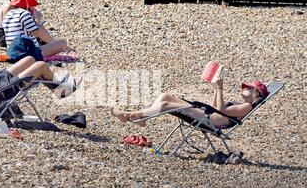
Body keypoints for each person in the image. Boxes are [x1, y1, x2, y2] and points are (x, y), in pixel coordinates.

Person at [110, 75, 269, 128]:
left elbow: (220, 110)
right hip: (209, 114)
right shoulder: (243, 105)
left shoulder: (246, 106)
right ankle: (142, 120)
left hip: (210, 120)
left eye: (248, 87)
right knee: (166, 96)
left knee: (166, 105)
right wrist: (215, 88)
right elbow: (216, 107)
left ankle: (128, 115)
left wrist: (220, 89)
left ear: (256, 93)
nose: (243, 88)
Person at [0, 0, 67, 55]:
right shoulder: (9, 7)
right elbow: (35, 32)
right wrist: (37, 21)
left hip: (14, 43)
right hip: (10, 39)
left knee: (36, 28)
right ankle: (52, 42)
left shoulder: (17, 9)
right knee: (61, 42)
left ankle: (52, 42)